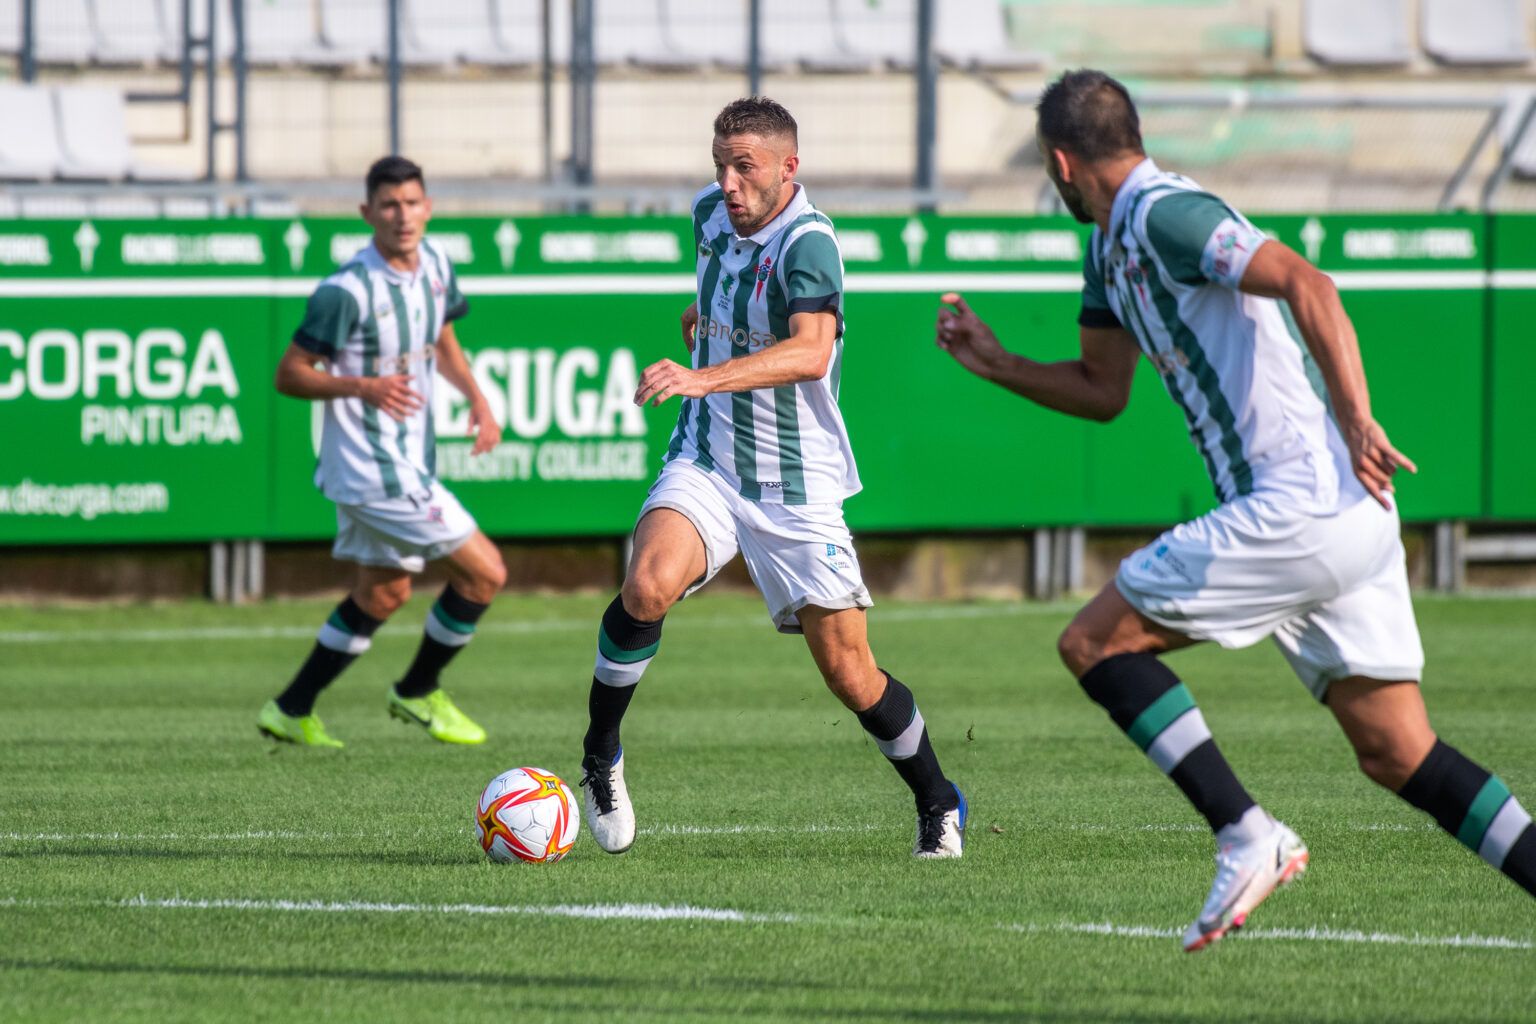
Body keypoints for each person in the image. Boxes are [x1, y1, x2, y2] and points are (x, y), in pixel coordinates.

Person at [935, 70, 1535, 949]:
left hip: (1299, 501)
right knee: (1398, 752)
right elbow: (1104, 391)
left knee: (1093, 641)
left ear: (1062, 162)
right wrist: (998, 364)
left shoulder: (1164, 212)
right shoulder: (1109, 248)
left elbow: (1309, 284)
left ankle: (1246, 832)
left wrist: (1357, 417)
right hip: (1342, 522)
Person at [576, 96, 966, 858]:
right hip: (709, 460)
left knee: (851, 674)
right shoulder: (708, 216)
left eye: (744, 166)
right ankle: (600, 754)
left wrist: (705, 373)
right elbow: (717, 298)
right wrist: (704, 324)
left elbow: (812, 351)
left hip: (797, 486)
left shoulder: (809, 244)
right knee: (647, 583)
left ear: (789, 168)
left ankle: (937, 798)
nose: (727, 182)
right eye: (720, 164)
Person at [258, 155, 507, 748]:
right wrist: (360, 385)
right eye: (389, 206)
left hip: (406, 457)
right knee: (485, 574)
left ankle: (291, 709)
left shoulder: (437, 265)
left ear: (429, 207)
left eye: (412, 203)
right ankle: (418, 690)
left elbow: (441, 335)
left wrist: (477, 398)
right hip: (374, 470)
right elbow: (288, 374)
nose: (402, 216)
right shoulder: (346, 291)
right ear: (367, 213)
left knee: (385, 592)